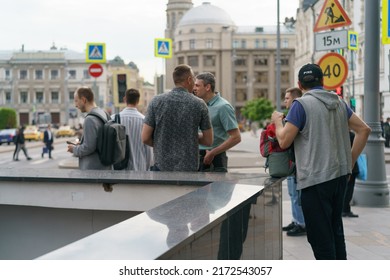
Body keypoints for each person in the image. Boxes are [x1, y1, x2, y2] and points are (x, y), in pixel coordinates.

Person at [271, 63, 371, 260]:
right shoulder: (339, 102)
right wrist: (350, 161)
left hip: (315, 179)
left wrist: (276, 122)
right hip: (339, 177)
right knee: (335, 231)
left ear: (299, 84)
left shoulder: (301, 105)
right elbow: (364, 130)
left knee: (320, 238)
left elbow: (283, 140)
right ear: (323, 81)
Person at [142, 64, 213, 171]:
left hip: (162, 167)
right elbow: (208, 140)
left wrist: (163, 141)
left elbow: (145, 138)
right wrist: (189, 136)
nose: (194, 83)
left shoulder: (156, 101)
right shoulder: (199, 104)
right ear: (189, 80)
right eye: (194, 79)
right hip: (189, 168)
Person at [193, 72, 241, 172]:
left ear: (207, 87)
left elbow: (236, 137)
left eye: (197, 85)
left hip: (215, 159)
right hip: (196, 156)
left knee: (218, 188)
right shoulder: (198, 105)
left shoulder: (223, 107)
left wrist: (213, 153)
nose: (194, 88)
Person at [67, 86, 112, 170]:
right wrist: (82, 143)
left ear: (84, 100)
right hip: (105, 167)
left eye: (76, 101)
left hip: (93, 169)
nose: (76, 105)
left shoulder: (90, 119)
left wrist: (74, 149)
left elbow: (89, 148)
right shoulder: (103, 113)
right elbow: (97, 142)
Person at [281, 87, 306, 237]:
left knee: (296, 194)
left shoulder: (296, 114)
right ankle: (296, 220)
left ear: (295, 99)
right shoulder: (290, 115)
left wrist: (278, 124)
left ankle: (301, 224)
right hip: (291, 161)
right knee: (292, 193)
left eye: (287, 98)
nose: (285, 101)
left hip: (297, 162)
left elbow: (286, 140)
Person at [113, 88, 153, 171]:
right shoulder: (145, 121)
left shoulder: (113, 119)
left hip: (119, 171)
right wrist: (147, 166)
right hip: (139, 169)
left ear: (125, 99)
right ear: (138, 101)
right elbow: (149, 150)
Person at [342, 131, 359, 218]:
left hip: (342, 166)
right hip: (351, 165)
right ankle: (346, 209)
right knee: (349, 190)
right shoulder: (351, 135)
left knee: (344, 189)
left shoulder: (339, 134)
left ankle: (344, 209)